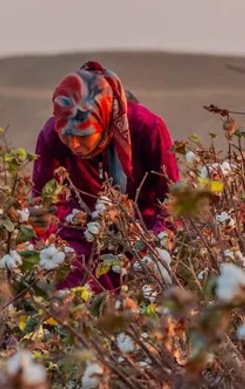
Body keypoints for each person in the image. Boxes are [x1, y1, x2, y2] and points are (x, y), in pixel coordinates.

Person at [32, 61, 178, 291]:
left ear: (104, 120)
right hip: (82, 232)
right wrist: (46, 251)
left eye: (82, 135)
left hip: (144, 232)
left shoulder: (147, 128)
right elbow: (43, 202)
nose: (73, 144)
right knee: (71, 295)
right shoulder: (51, 136)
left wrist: (155, 247)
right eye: (66, 136)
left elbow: (172, 199)